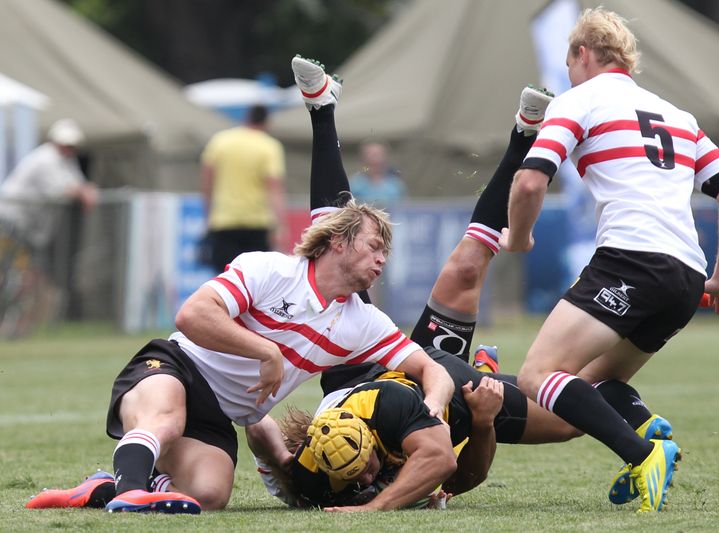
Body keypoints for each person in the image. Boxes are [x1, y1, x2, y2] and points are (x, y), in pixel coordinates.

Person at [24, 57, 454, 515]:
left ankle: (105, 486)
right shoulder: (270, 269)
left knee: (210, 496)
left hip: (217, 416)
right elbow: (191, 316)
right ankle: (131, 490)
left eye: (386, 252)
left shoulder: (362, 321)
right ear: (339, 242)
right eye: (374, 246)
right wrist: (266, 352)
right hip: (174, 365)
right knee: (165, 419)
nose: (383, 259)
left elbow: (435, 371)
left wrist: (431, 406)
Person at [251, 63, 677, 512]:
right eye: (365, 477)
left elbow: (266, 434)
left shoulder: (378, 414)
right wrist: (484, 421)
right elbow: (467, 478)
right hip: (446, 388)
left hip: (374, 371)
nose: (370, 475)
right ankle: (630, 410)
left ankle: (325, 109)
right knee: (564, 419)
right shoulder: (325, 477)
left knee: (399, 259)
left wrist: (366, 505)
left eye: (368, 468)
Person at [501, 8, 719, 513]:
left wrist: (520, 239)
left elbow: (529, 181)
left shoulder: (579, 100)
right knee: (589, 383)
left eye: (570, 63)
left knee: (537, 375)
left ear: (582, 54)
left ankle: (643, 455)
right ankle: (648, 429)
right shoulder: (678, 116)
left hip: (632, 261)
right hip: (685, 277)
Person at [201, 104, 287, 272]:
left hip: (224, 222)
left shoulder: (220, 141)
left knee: (225, 281)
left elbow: (207, 181)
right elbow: (274, 189)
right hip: (257, 224)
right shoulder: (269, 146)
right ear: (266, 123)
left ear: (246, 117)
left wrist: (209, 214)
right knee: (256, 282)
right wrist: (280, 226)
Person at [0, 118, 98, 251]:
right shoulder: (45, 159)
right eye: (67, 145)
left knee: (22, 260)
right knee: (12, 259)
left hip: (29, 223)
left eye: (72, 146)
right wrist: (82, 192)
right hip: (13, 219)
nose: (69, 149)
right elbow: (58, 191)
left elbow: (78, 182)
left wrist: (85, 189)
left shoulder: (66, 159)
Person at [348, 141, 407, 207]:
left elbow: (403, 208)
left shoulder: (396, 185)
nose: (375, 159)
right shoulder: (354, 185)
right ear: (363, 158)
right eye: (371, 154)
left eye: (378, 154)